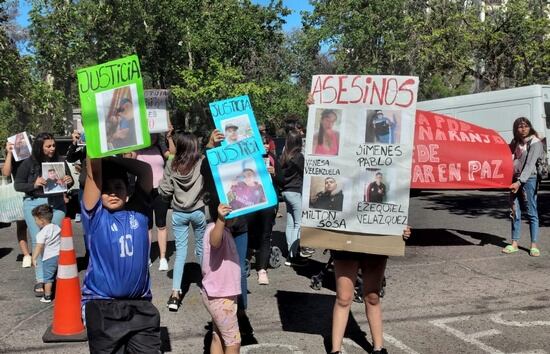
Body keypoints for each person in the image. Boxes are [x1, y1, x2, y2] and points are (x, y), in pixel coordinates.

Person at [81, 155, 160, 353]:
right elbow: (93, 176)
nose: (113, 193)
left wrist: (114, 158)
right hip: (102, 306)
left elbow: (145, 171)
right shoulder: (95, 216)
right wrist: (100, 154)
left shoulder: (139, 212)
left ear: (127, 192)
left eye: (118, 188)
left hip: (140, 306)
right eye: (106, 190)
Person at [203, 129, 253, 338]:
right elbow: (205, 169)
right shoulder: (213, 168)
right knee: (217, 271)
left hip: (240, 224)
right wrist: (210, 146)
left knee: (239, 270)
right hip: (221, 225)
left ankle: (240, 312)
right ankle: (220, 311)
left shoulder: (244, 167)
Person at [330, 228, 411, 354]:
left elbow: (396, 209)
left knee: (373, 297)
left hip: (377, 239)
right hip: (345, 238)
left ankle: (378, 348)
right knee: (343, 298)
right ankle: (335, 350)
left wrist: (401, 227)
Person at [14, 132, 73, 297]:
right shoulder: (28, 163)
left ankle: (55, 274)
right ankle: (41, 278)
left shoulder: (60, 161)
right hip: (35, 203)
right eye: (48, 146)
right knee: (39, 240)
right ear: (40, 147)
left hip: (56, 204)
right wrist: (34, 184)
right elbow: (18, 185)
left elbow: (69, 183)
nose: (52, 148)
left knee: (55, 239)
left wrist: (69, 180)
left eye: (53, 145)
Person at [159, 132, 206, 312]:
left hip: (179, 212)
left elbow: (165, 190)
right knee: (201, 249)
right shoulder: (200, 162)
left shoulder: (172, 163)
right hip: (198, 211)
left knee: (180, 253)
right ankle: (207, 286)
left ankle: (175, 294)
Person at [201, 203, 241, 354]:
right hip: (221, 297)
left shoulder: (221, 229)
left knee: (218, 336)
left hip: (217, 294)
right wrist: (221, 219)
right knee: (233, 342)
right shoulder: (216, 229)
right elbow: (215, 241)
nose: (238, 218)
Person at [503, 117, 543, 257]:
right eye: (520, 127)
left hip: (529, 179)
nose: (523, 129)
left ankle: (534, 245)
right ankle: (514, 243)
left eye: (525, 126)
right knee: (515, 211)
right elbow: (505, 156)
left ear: (530, 127)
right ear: (516, 129)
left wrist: (519, 182)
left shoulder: (535, 142)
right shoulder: (515, 142)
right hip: (514, 179)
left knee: (531, 211)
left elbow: (530, 165)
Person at [131, 133, 170, 271]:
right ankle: (146, 256)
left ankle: (163, 257)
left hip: (160, 190)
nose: (152, 137)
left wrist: (169, 137)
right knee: (147, 225)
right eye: (149, 134)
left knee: (161, 224)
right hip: (144, 190)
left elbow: (171, 156)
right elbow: (129, 158)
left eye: (154, 134)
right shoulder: (138, 149)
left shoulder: (160, 148)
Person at [247, 134, 280, 285]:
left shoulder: (272, 157)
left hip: (268, 202)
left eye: (266, 142)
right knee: (248, 232)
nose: (264, 145)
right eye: (261, 142)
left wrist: (274, 174)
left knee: (266, 235)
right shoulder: (247, 158)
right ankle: (246, 261)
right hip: (250, 202)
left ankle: (262, 269)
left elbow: (282, 180)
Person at [279, 129, 312, 266]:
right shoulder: (298, 157)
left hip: (286, 192)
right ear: (299, 142)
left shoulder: (284, 156)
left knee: (291, 223)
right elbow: (307, 172)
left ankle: (289, 253)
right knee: (299, 223)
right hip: (295, 192)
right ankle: (294, 256)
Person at [2, 140, 31, 268]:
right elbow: (6, 173)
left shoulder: (33, 154)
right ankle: (26, 255)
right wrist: (9, 153)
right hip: (20, 193)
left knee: (41, 223)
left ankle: (39, 252)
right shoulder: (13, 157)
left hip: (35, 190)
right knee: (21, 225)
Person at [31, 204, 60, 303]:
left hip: (49, 257)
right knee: (58, 275)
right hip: (60, 255)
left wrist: (33, 258)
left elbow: (39, 246)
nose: (35, 222)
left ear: (41, 220)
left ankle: (47, 296)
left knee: (48, 279)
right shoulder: (56, 227)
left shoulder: (41, 233)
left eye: (35, 219)